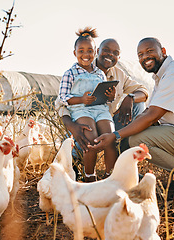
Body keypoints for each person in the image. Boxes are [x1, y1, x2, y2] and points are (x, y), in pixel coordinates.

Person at [90, 37, 174, 173]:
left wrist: (115, 135)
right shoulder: (161, 76)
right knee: (130, 136)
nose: (145, 57)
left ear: (163, 51)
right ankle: (124, 175)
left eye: (149, 51)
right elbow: (148, 112)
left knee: (135, 141)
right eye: (140, 55)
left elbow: (152, 116)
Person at [57, 38, 149, 177]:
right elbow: (61, 103)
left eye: (115, 52)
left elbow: (143, 90)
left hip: (103, 116)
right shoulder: (74, 71)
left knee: (138, 105)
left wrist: (129, 98)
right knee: (88, 139)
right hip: (80, 122)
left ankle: (116, 167)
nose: (110, 55)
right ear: (98, 51)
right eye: (106, 50)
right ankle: (80, 167)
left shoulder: (118, 74)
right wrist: (72, 126)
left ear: (119, 56)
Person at [58, 27, 118, 182]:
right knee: (90, 139)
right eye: (81, 51)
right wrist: (81, 100)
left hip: (100, 109)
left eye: (90, 51)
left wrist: (110, 96)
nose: (86, 55)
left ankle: (110, 177)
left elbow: (104, 96)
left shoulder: (100, 73)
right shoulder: (70, 73)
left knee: (110, 138)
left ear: (95, 52)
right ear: (74, 53)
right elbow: (63, 97)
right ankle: (89, 177)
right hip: (81, 109)